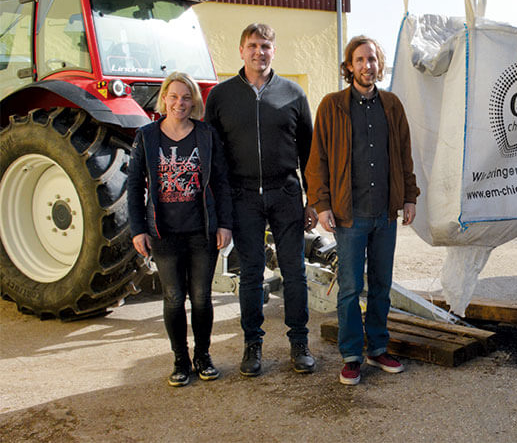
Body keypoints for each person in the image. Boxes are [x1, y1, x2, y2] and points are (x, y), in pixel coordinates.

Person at [204, 23, 318, 376]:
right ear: (241, 51)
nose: (259, 52)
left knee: (294, 272)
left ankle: (299, 343)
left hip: (285, 193)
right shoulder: (220, 97)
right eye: (252, 45)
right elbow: (213, 157)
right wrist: (220, 209)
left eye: (265, 46)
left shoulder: (293, 94)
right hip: (243, 197)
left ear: (274, 51)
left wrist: (312, 199)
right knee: (251, 274)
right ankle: (252, 345)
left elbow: (308, 152)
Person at [306, 35, 420, 385]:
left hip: (384, 213)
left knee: (382, 286)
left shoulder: (392, 105)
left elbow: (403, 155)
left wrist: (410, 196)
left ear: (379, 64)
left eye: (372, 59)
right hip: (349, 214)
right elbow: (317, 160)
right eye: (360, 59)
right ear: (349, 66)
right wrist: (322, 204)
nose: (367, 65)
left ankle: (378, 348)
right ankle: (352, 355)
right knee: (350, 288)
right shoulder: (332, 106)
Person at [128, 71, 233, 387]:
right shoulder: (147, 136)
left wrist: (225, 224)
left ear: (194, 101)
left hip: (201, 231)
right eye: (173, 96)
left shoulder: (206, 135)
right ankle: (180, 359)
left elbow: (221, 182)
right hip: (164, 233)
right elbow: (134, 186)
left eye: (186, 97)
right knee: (173, 298)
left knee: (201, 297)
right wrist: (137, 229)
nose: (180, 103)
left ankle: (203, 356)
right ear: (164, 99)